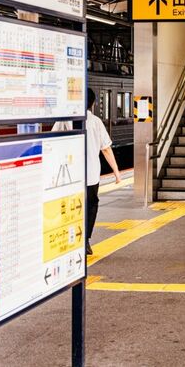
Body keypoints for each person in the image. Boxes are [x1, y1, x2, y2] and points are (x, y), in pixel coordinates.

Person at [53, 88, 120, 255]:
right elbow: (106, 149)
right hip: (90, 175)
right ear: (93, 103)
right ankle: (85, 240)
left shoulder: (64, 119)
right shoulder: (96, 121)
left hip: (69, 175)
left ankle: (70, 239)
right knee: (90, 205)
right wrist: (116, 172)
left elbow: (52, 141)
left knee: (70, 207)